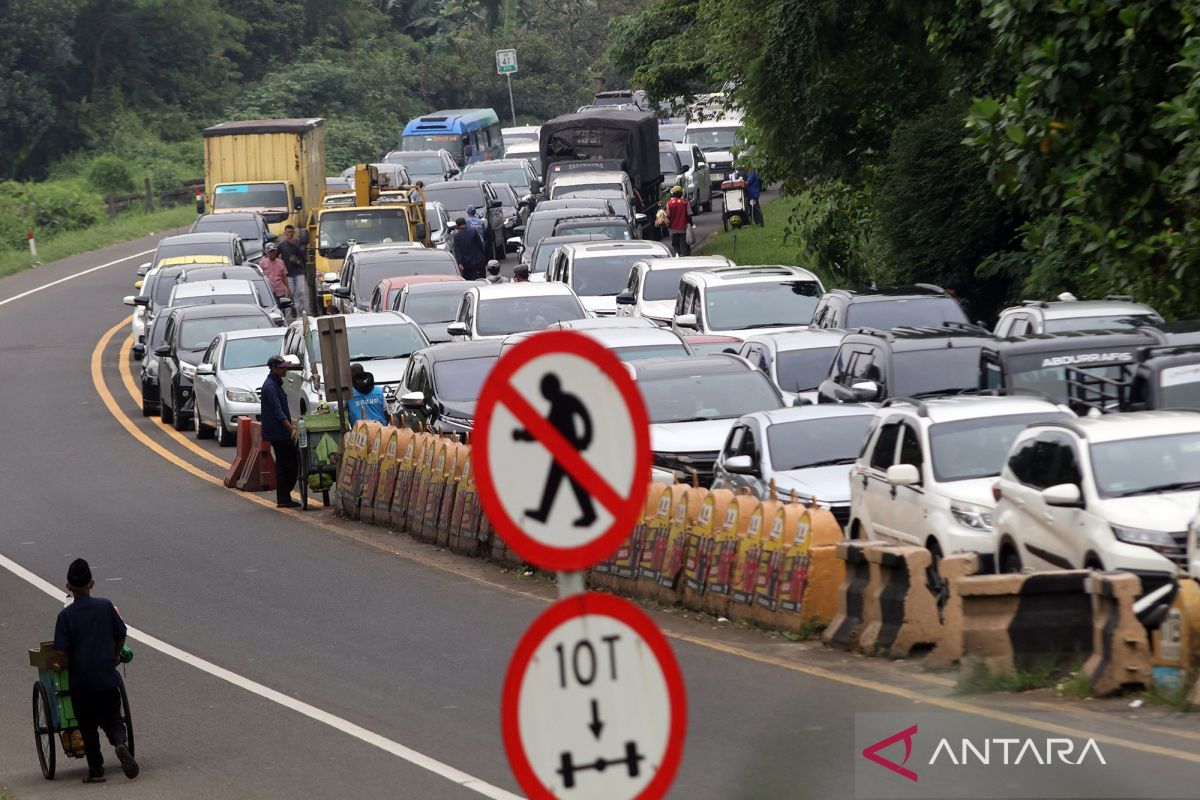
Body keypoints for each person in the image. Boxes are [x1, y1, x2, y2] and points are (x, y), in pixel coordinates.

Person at [52, 559, 139, 783]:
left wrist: (59, 664)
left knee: (88, 727)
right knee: (113, 720)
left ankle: (96, 771)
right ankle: (120, 743)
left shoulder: (65, 617)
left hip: (81, 684)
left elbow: (61, 653)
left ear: (68, 587)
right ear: (92, 583)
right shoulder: (105, 606)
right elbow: (121, 634)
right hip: (107, 678)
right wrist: (115, 655)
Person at [514, 373, 596, 527]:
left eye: (545, 389)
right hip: (562, 450)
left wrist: (586, 438)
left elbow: (585, 415)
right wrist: (523, 435)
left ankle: (588, 515)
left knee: (572, 482)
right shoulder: (557, 405)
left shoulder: (566, 401)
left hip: (568, 450)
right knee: (556, 481)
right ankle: (545, 513)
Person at [261, 355, 300, 508]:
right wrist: (291, 429)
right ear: (274, 368)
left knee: (286, 464)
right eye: (282, 367)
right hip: (279, 433)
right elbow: (278, 412)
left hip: (280, 431)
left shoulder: (275, 384)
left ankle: (284, 497)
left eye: (285, 366)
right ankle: (283, 498)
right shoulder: (271, 387)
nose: (285, 369)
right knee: (287, 465)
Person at [276, 225, 308, 316]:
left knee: (301, 291)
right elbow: (275, 255)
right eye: (287, 232)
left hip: (299, 271)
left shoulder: (299, 242)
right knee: (291, 293)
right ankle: (293, 308)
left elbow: (303, 256)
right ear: (284, 233)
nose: (289, 234)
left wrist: (295, 246)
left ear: (294, 232)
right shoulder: (281, 245)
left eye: (291, 232)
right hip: (288, 273)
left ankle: (302, 312)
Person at [452, 216, 488, 280]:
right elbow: (480, 244)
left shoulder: (457, 236)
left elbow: (457, 250)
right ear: (465, 223)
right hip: (477, 260)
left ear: (457, 225)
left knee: (469, 280)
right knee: (481, 279)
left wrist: (460, 263)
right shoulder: (473, 231)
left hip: (466, 263)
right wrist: (483, 254)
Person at [666, 185, 692, 256]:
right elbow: (689, 215)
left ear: (673, 194)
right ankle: (683, 256)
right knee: (683, 244)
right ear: (681, 193)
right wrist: (691, 223)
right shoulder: (685, 202)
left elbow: (667, 216)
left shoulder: (669, 203)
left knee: (675, 244)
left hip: (673, 229)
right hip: (683, 228)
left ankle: (677, 254)